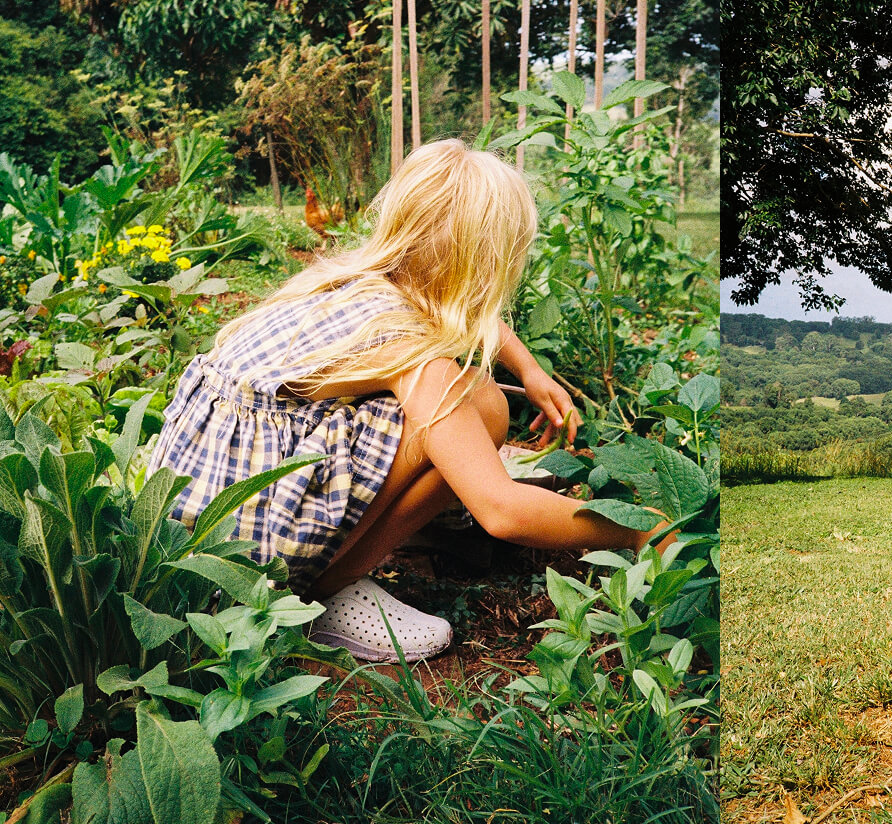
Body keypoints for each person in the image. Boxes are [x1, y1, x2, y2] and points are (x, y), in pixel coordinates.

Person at [149, 140, 666, 663]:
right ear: (492, 263)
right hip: (243, 574)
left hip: (185, 536)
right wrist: (637, 525)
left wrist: (528, 368)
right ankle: (316, 594)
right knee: (478, 407)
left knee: (471, 403)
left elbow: (451, 303)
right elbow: (502, 511)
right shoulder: (411, 356)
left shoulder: (343, 278)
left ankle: (347, 547)